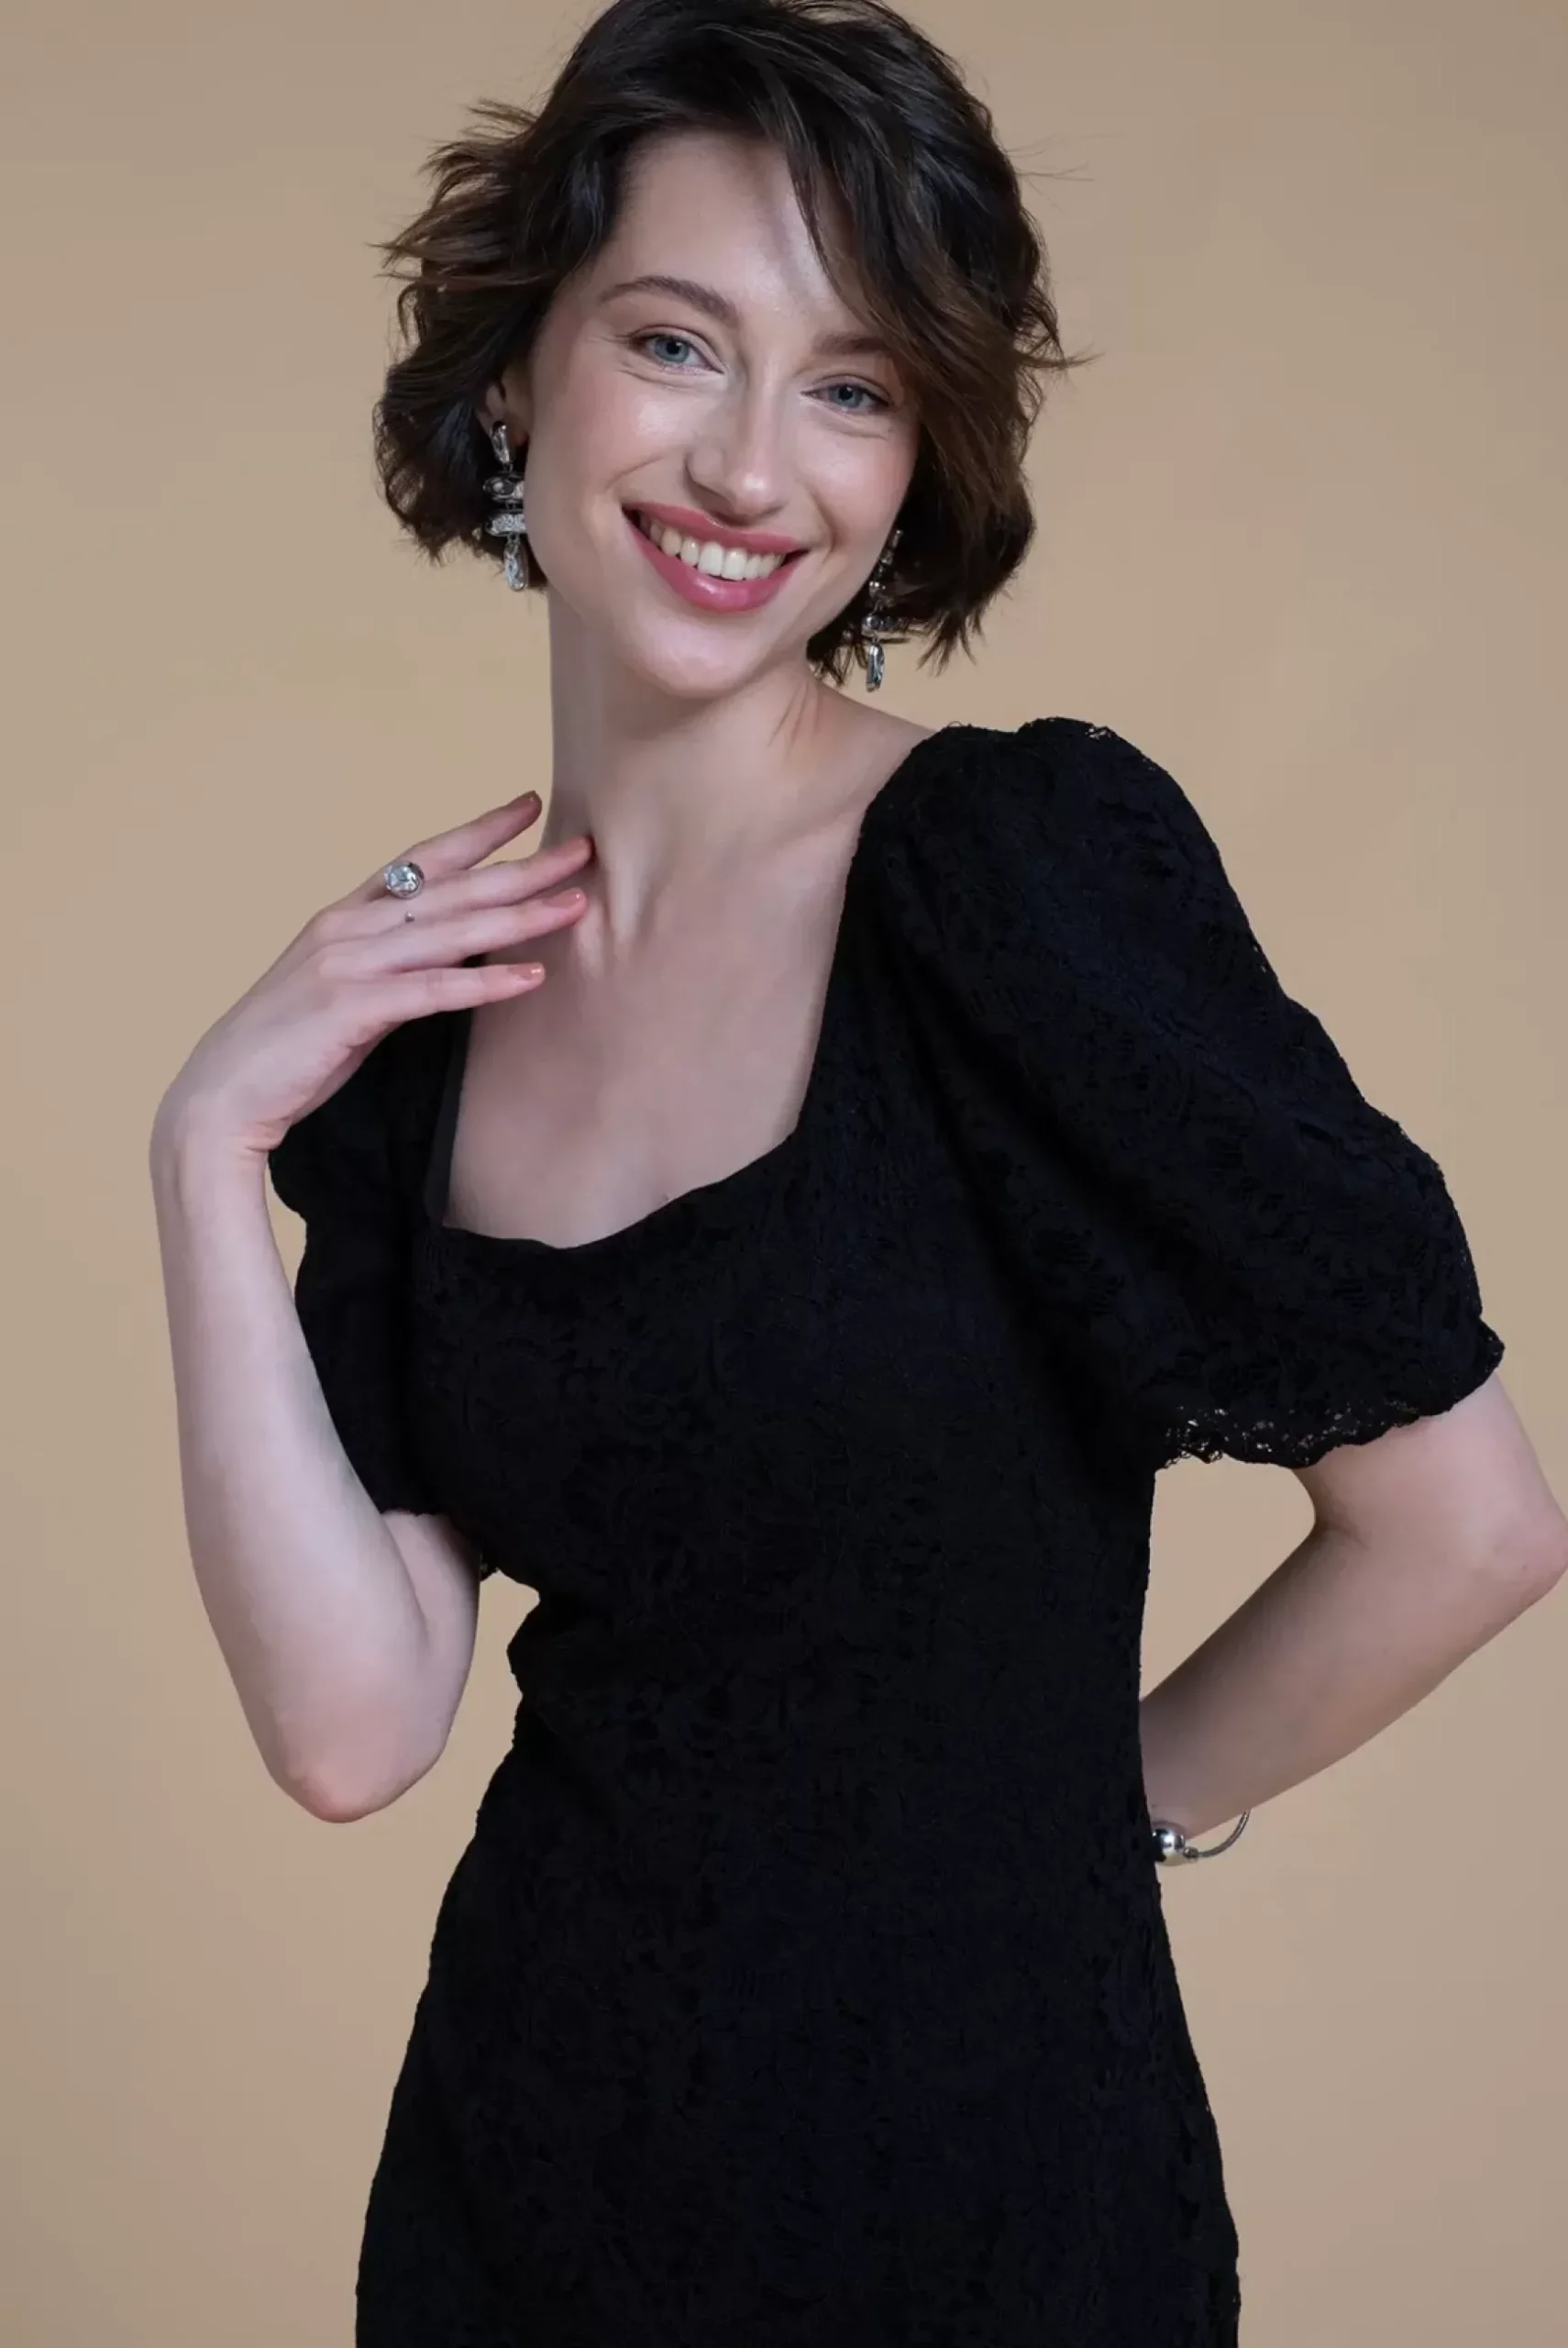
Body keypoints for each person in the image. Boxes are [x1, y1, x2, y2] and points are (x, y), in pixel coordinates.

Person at [148, 2, 1567, 2341]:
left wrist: (1070, 1822)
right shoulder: (429, 1031)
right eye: (672, 342)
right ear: (514, 384)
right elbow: (350, 1722)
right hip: (521, 2201)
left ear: (916, 466)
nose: (747, 462)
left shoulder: (1013, 877)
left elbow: (1468, 1519)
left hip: (993, 2216)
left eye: (852, 385)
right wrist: (208, 1148)